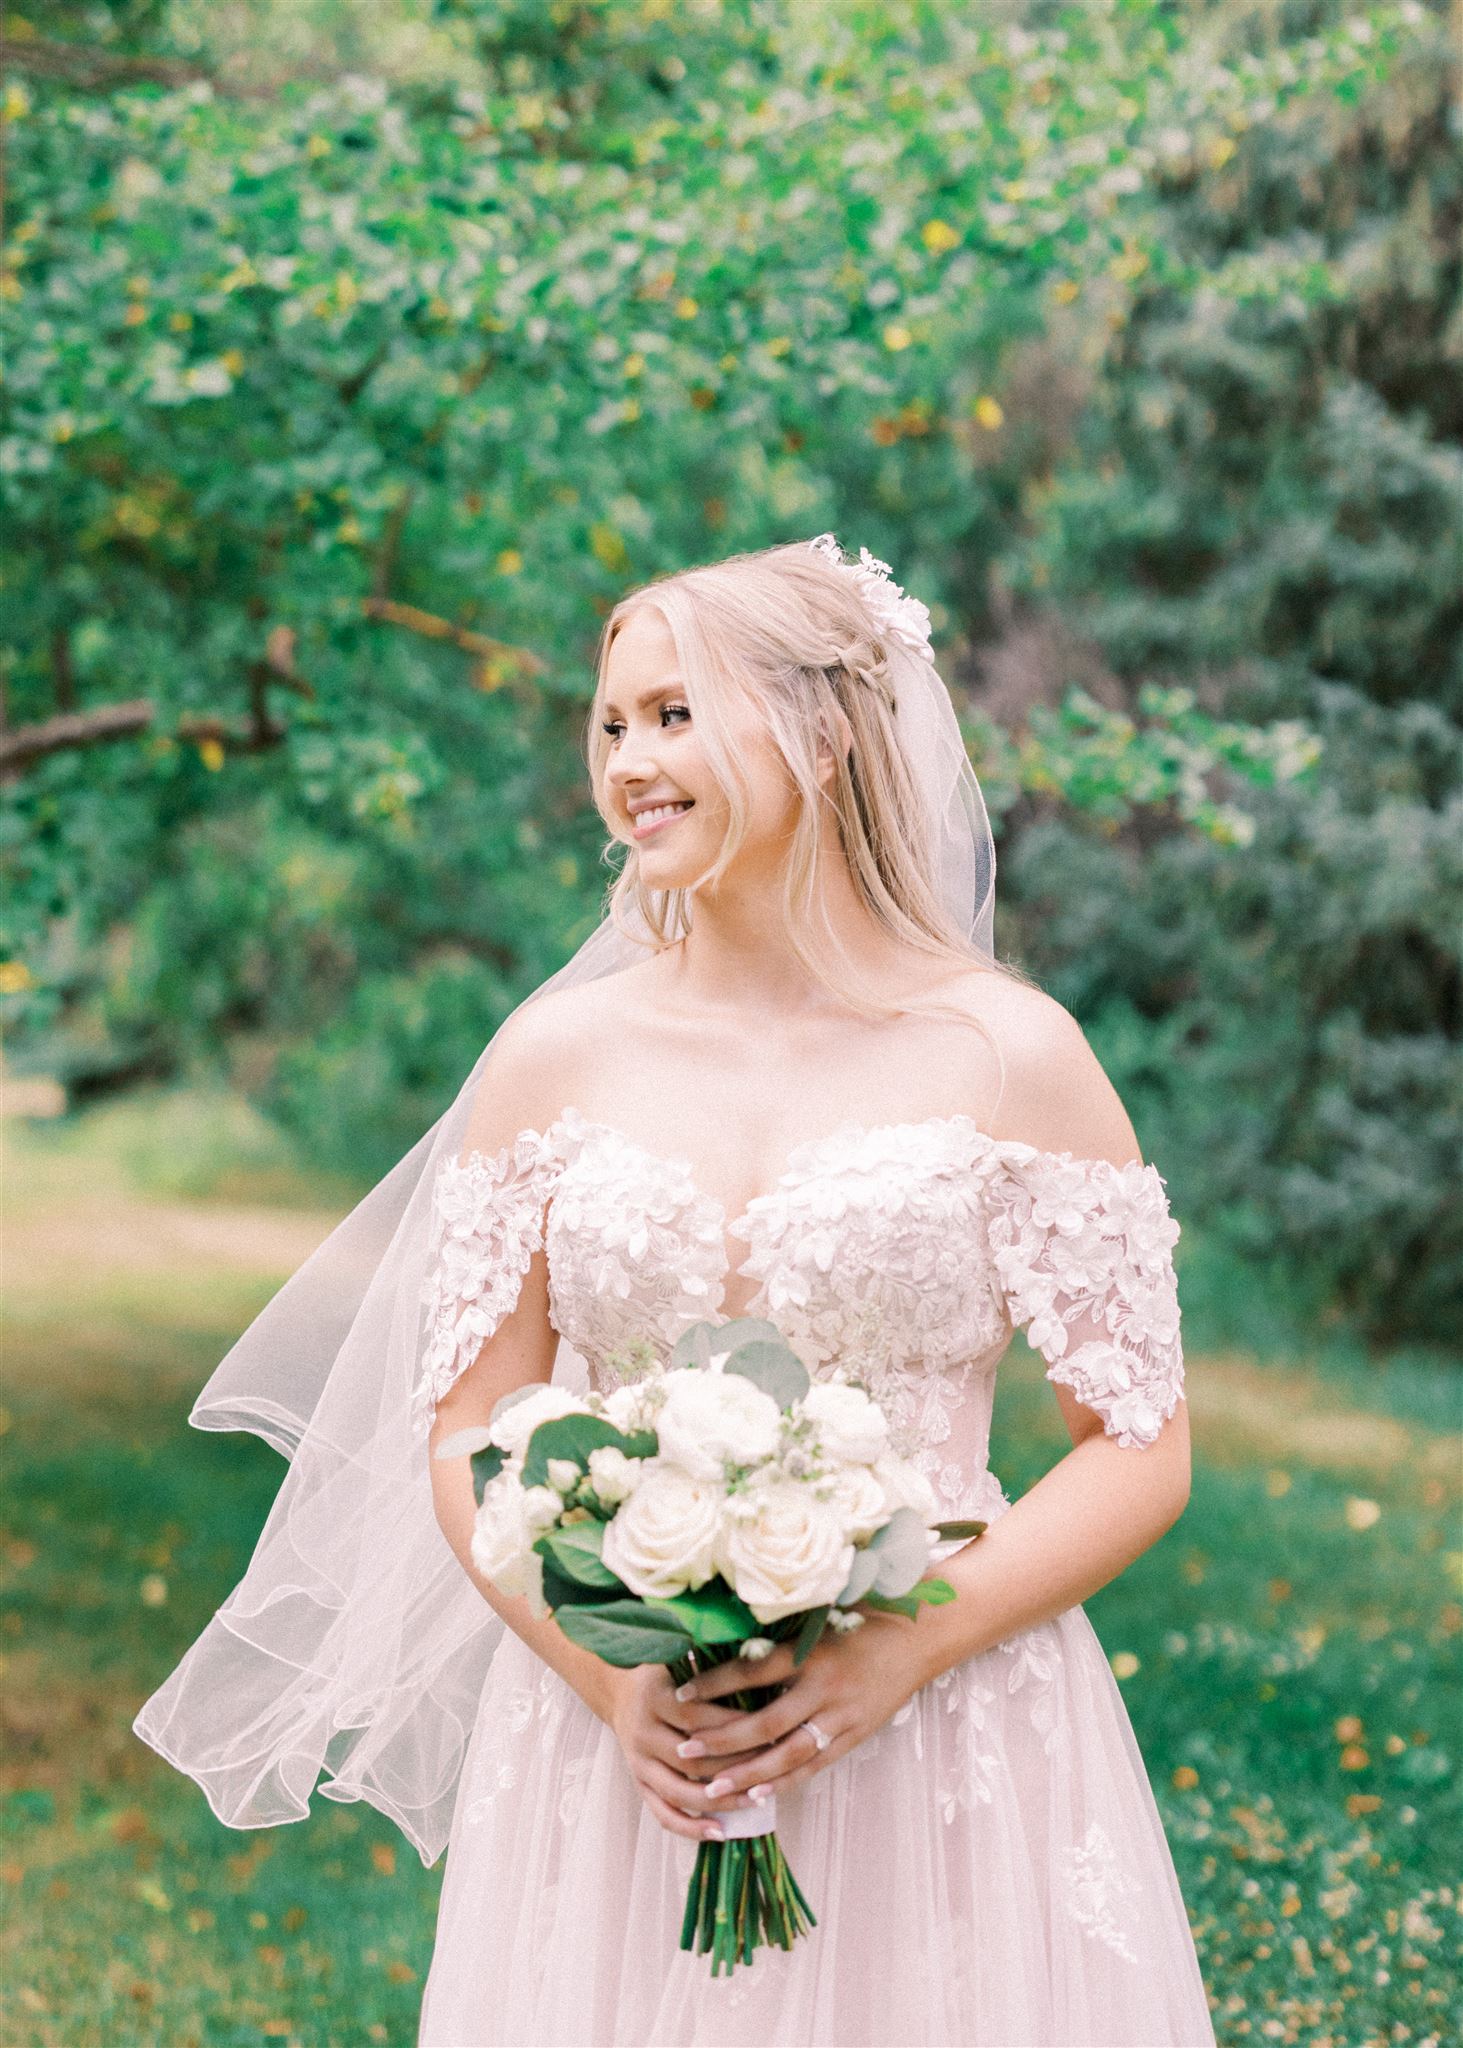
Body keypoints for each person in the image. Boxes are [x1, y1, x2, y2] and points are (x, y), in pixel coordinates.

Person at [135, 535, 1215, 2047]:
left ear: (826, 736)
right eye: (612, 723)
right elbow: (467, 1428)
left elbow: (1140, 1443)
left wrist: (907, 1641)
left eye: (675, 714)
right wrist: (607, 1678)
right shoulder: (550, 1060)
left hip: (942, 1727)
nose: (632, 758)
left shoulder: (1006, 1055)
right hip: (628, 1747)